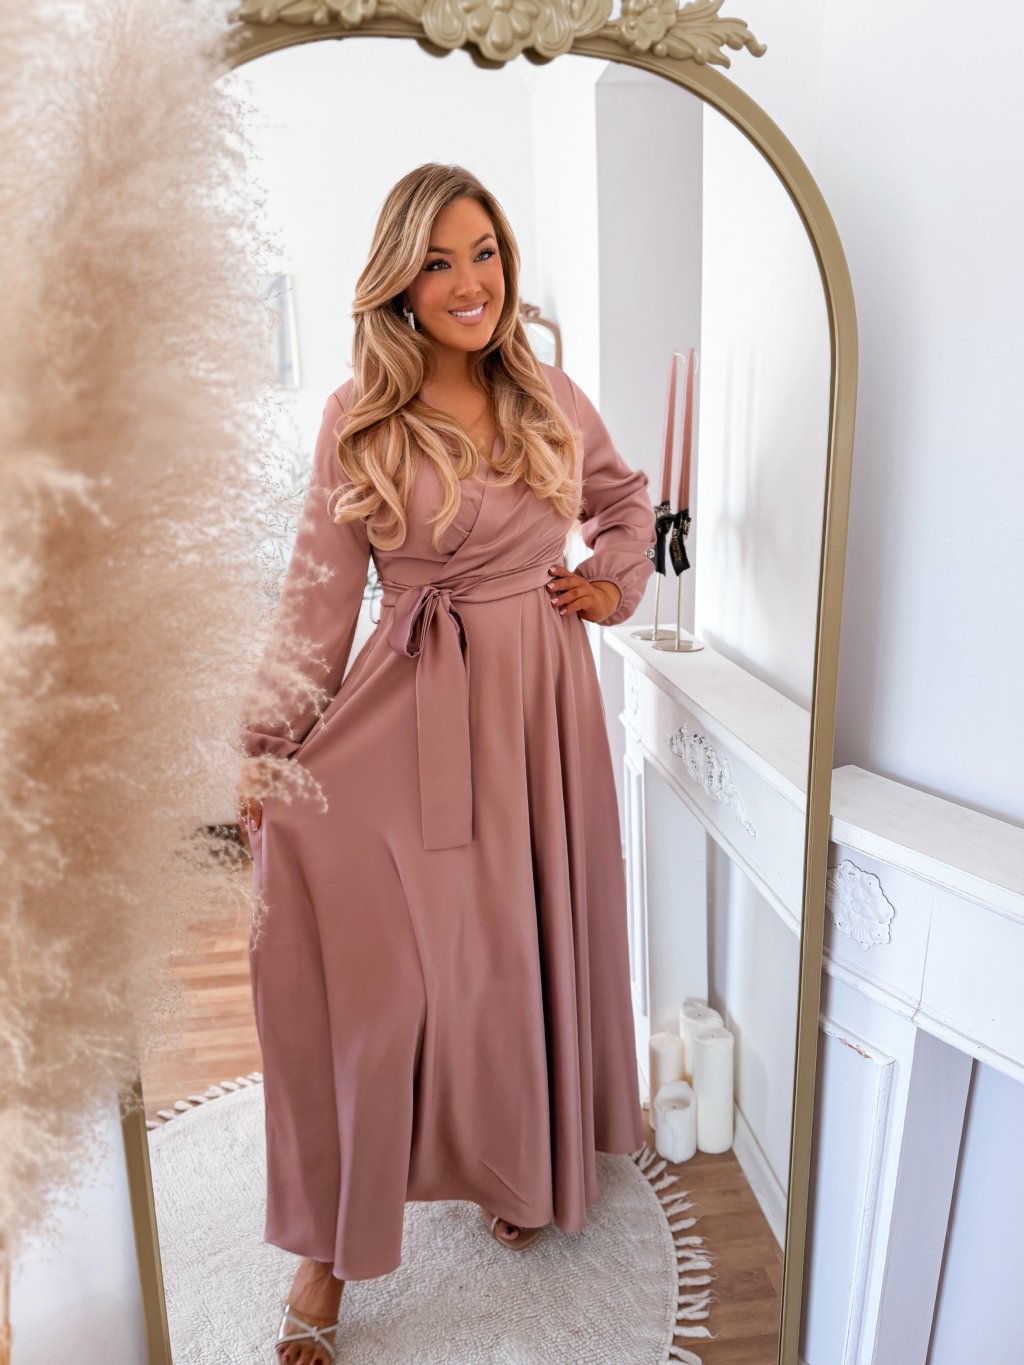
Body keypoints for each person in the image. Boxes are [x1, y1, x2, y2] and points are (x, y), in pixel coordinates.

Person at [236, 162, 656, 1365]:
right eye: (438, 261)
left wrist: (608, 584)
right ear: (399, 284)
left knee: (505, 958)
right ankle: (325, 1251)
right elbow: (317, 599)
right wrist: (267, 750)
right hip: (409, 702)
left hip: (537, 712)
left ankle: (509, 1161)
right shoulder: (357, 417)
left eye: (484, 254)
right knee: (383, 985)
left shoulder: (548, 393)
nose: (470, 282)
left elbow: (625, 502)